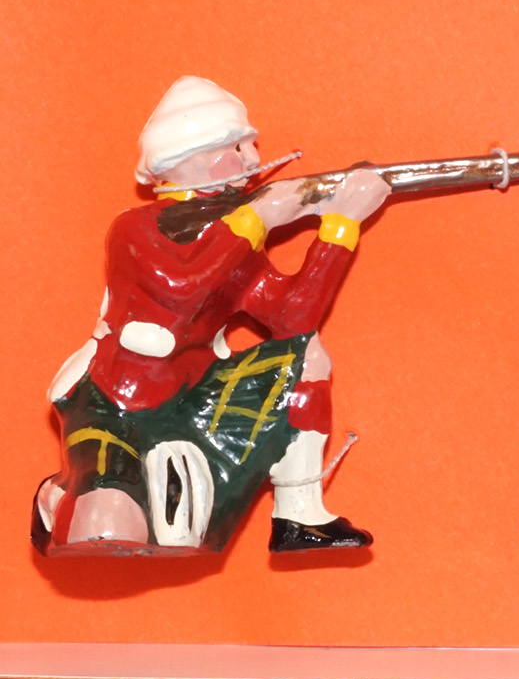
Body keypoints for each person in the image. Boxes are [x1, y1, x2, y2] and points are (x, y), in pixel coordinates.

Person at [33, 75, 390, 555]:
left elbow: (294, 317)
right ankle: (60, 495)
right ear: (184, 159)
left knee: (307, 355)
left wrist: (341, 226)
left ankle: (299, 514)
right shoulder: (135, 228)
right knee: (108, 525)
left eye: (250, 146)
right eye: (236, 148)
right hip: (118, 401)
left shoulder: (235, 239)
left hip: (194, 393)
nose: (253, 161)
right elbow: (182, 289)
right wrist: (256, 217)